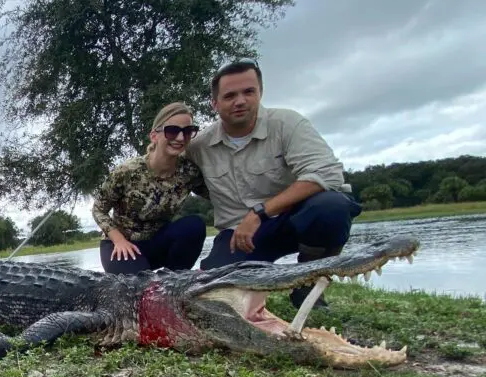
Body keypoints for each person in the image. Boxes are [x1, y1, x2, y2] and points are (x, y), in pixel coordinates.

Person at [186, 59, 362, 307]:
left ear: (260, 92)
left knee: (332, 207)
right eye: (230, 96)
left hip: (293, 221)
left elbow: (328, 175)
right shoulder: (199, 146)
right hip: (238, 234)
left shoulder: (288, 123)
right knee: (212, 288)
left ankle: (309, 282)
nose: (240, 101)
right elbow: (174, 174)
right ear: (215, 103)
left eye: (249, 92)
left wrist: (260, 212)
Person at [91, 102, 209, 275]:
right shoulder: (127, 171)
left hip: (158, 243)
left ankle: (175, 281)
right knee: (142, 289)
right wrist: (118, 240)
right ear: (154, 136)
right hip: (122, 247)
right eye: (172, 131)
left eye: (187, 131)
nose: (180, 138)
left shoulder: (189, 172)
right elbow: (98, 209)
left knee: (194, 225)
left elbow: (216, 194)